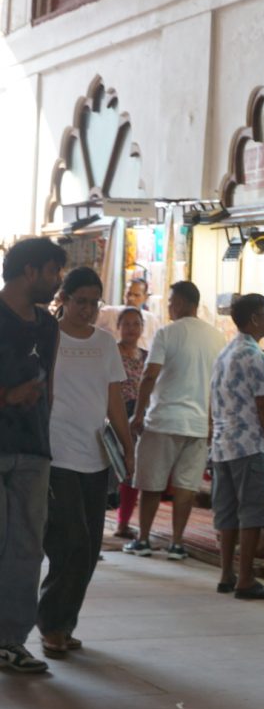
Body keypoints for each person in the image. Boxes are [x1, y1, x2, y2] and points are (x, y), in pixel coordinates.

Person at [37, 266, 134, 657]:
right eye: (81, 302)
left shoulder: (105, 343)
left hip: (96, 457)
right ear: (63, 300)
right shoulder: (48, 337)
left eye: (95, 303)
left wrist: (128, 445)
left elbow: (114, 399)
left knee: (90, 545)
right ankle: (51, 624)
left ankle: (64, 622)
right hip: (56, 454)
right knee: (68, 540)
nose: (88, 310)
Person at [0, 237, 65, 674]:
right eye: (52, 272)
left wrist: (43, 426)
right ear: (29, 272)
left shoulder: (48, 326)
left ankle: (10, 641)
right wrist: (8, 396)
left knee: (26, 548)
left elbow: (52, 386)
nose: (56, 281)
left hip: (33, 449)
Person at [125, 281, 225, 559]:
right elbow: (218, 384)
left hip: (164, 419)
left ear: (180, 303)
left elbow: (149, 374)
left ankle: (143, 539)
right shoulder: (217, 338)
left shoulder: (166, 333)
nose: (168, 307)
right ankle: (177, 544)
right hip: (197, 423)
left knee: (151, 483)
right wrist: (212, 420)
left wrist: (139, 411)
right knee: (186, 486)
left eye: (170, 302)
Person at [209, 294, 264, 600]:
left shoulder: (226, 352)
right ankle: (246, 578)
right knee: (253, 510)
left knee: (227, 511)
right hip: (249, 443)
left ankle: (227, 573)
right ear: (254, 319)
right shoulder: (255, 355)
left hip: (223, 444)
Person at [113, 307, 147, 539]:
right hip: (117, 414)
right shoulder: (112, 353)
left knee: (132, 470)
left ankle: (123, 523)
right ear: (119, 327)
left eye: (136, 324)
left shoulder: (147, 356)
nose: (131, 329)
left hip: (140, 416)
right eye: (126, 324)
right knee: (114, 468)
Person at [96, 277, 160, 349]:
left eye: (136, 295)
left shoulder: (152, 321)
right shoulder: (109, 313)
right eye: (129, 294)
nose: (131, 298)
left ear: (145, 298)